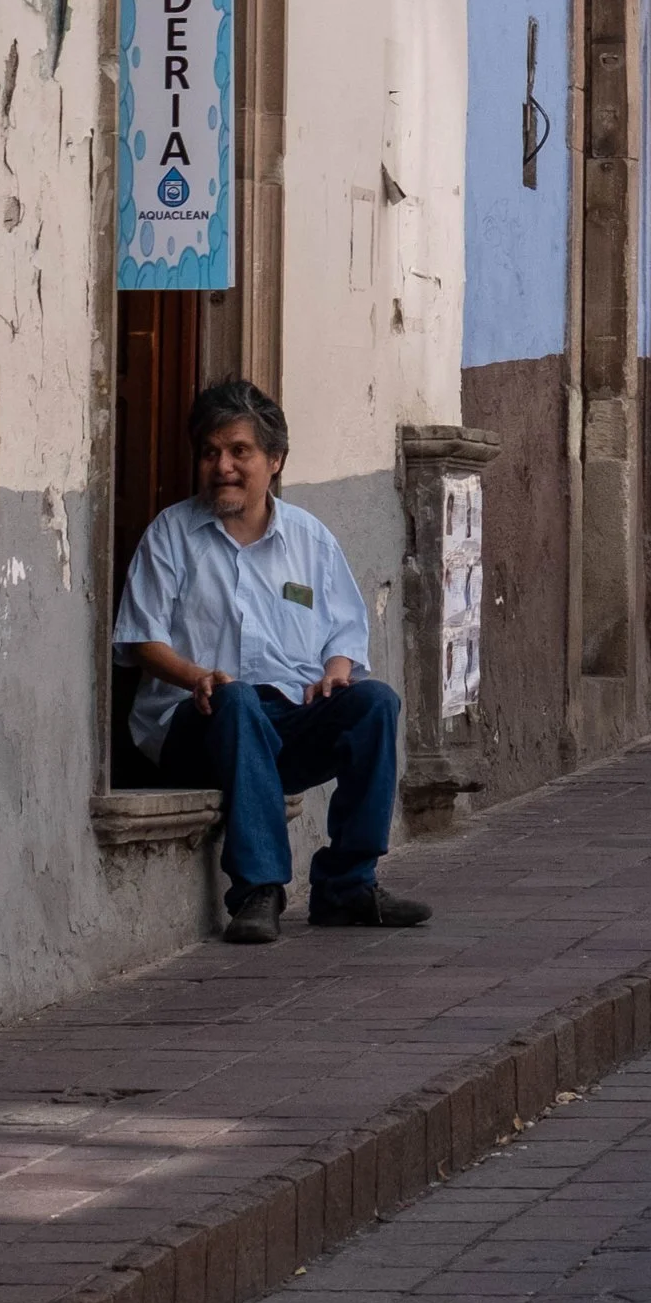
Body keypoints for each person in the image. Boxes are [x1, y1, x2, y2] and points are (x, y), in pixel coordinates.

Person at [114, 376, 430, 941]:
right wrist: (196, 677)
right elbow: (141, 638)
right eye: (211, 452)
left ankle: (347, 885)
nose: (223, 466)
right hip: (199, 723)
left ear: (275, 460)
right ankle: (259, 890)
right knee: (237, 699)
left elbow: (345, 634)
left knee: (374, 702)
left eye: (241, 451)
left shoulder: (310, 539)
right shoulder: (171, 534)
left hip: (286, 724)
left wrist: (334, 675)